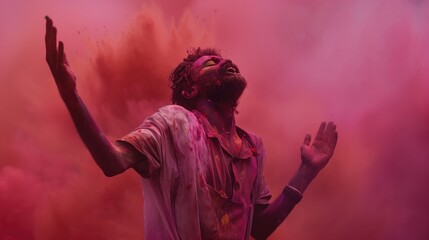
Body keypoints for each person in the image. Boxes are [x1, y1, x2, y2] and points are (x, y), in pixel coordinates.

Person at [44, 16, 338, 240]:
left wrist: (307, 171)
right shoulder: (175, 123)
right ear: (190, 91)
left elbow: (259, 228)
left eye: (224, 60)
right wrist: (71, 96)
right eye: (211, 63)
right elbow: (112, 160)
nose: (225, 62)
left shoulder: (252, 149)